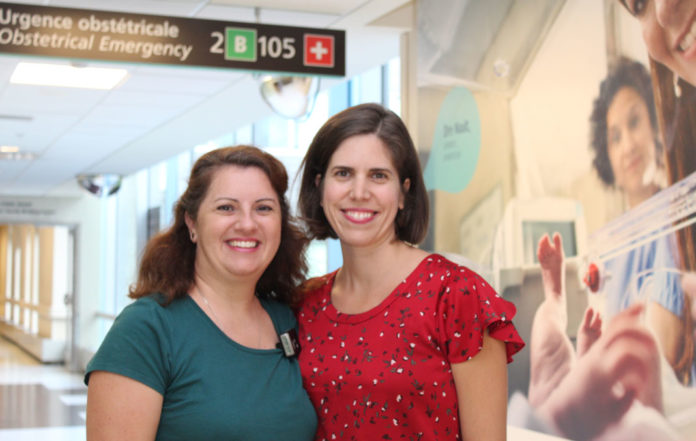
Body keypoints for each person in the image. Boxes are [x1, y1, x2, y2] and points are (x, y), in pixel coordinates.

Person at [295, 102, 524, 441]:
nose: (359, 192)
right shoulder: (305, 303)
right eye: (343, 173)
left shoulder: (455, 295)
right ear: (320, 186)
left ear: (403, 193)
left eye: (378, 175)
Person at [84, 146, 317, 440]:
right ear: (192, 223)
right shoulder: (146, 330)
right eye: (226, 207)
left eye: (263, 208)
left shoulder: (289, 319)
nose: (247, 223)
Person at [587, 57, 690, 383]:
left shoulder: (678, 213)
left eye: (634, 123)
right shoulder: (608, 248)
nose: (628, 145)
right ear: (607, 157)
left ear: (656, 127)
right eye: (615, 138)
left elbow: (667, 344)